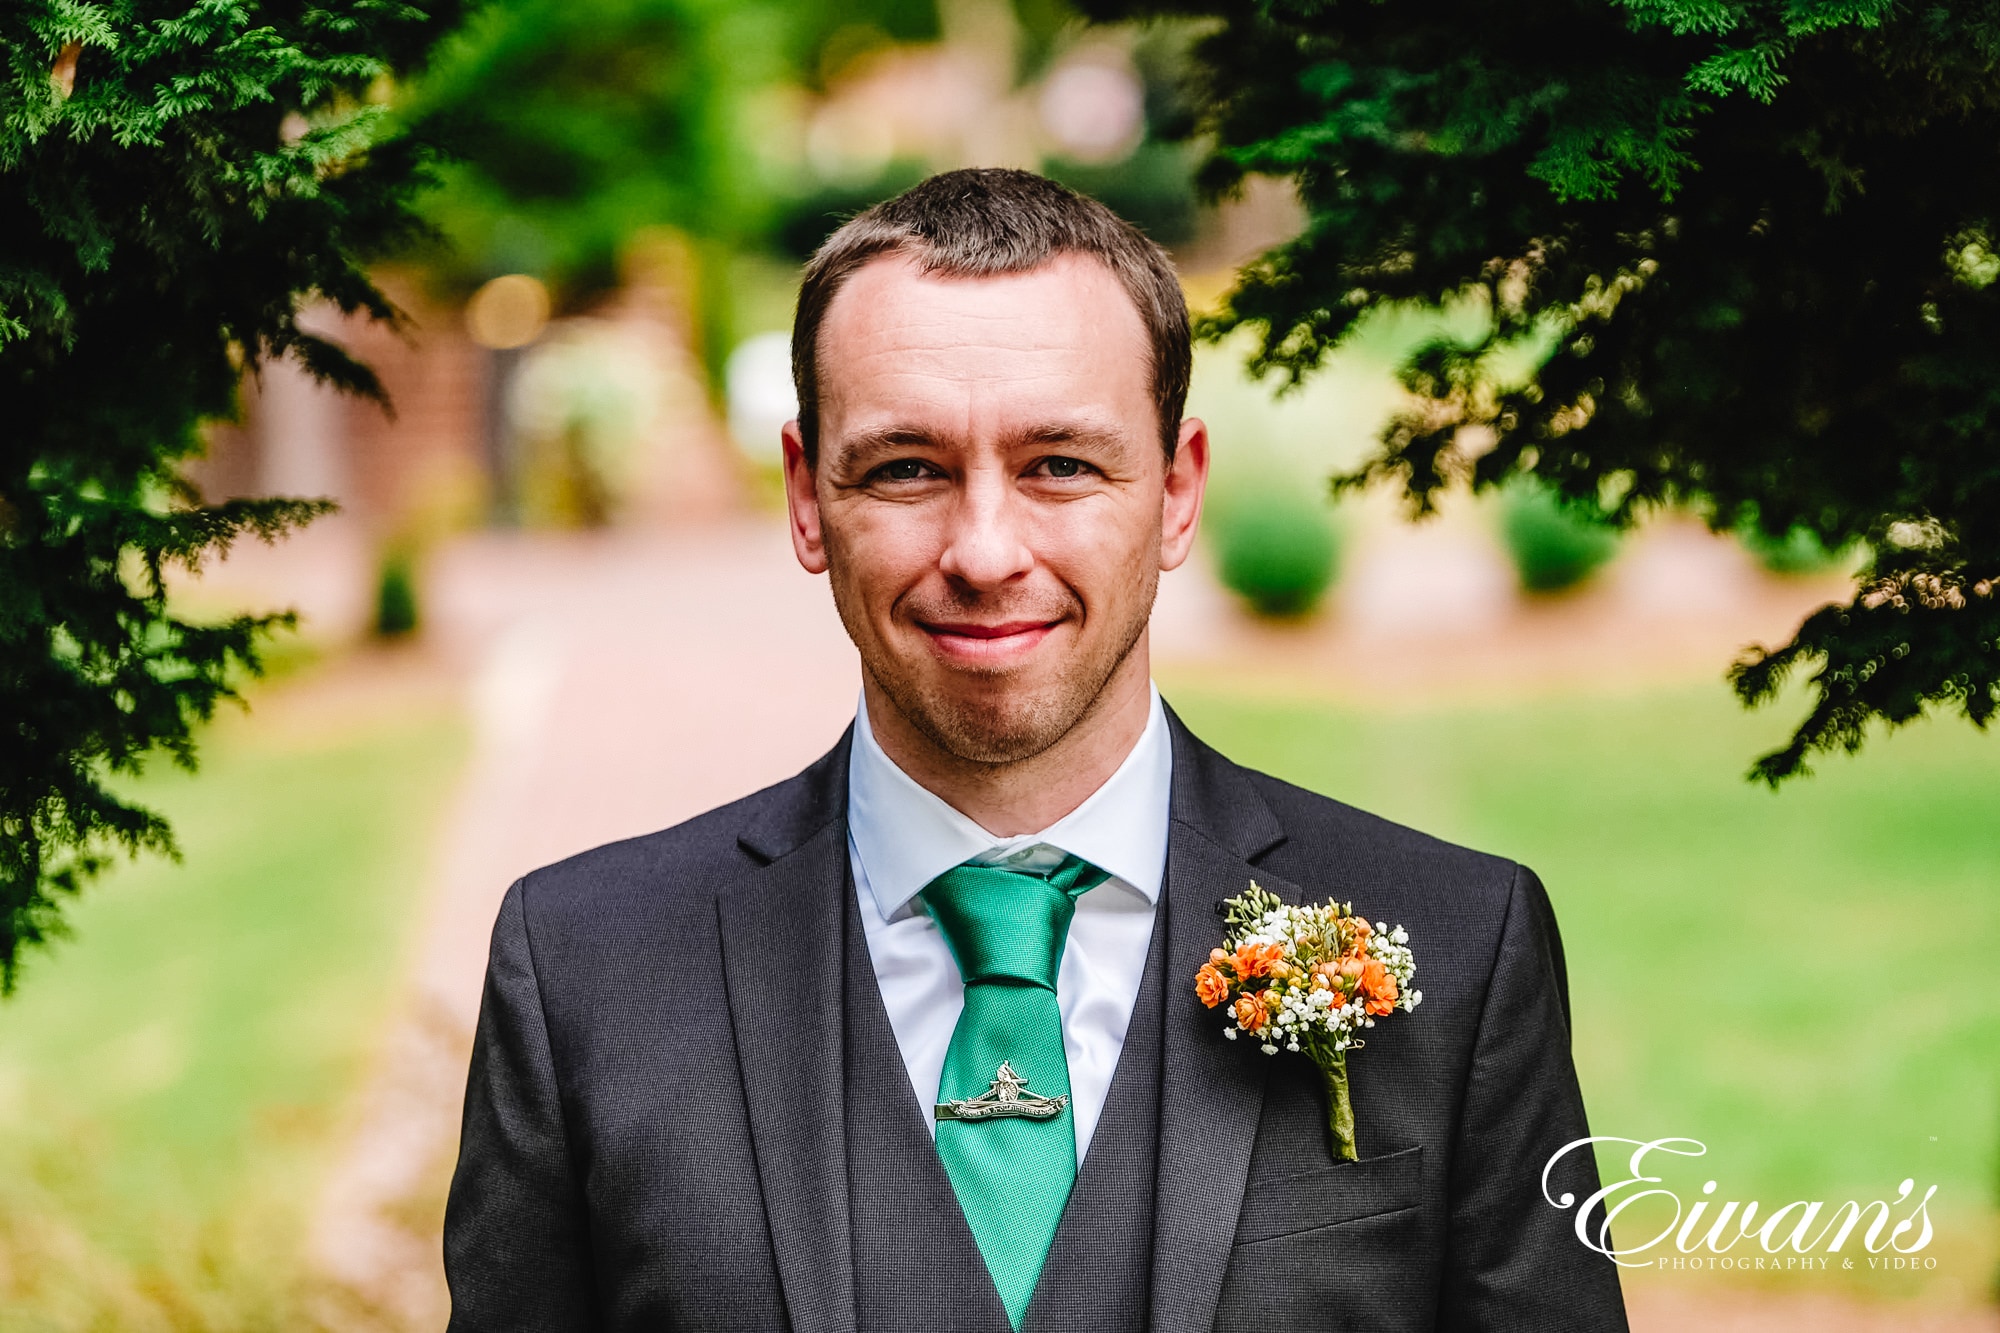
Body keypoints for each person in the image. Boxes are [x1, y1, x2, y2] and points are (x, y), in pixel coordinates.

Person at [443, 168, 1628, 1332]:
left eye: (1059, 464)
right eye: (906, 467)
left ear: (1174, 490)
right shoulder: (585, 973)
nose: (984, 550)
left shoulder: (1464, 948)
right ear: (807, 497)